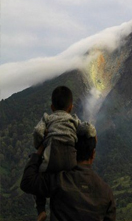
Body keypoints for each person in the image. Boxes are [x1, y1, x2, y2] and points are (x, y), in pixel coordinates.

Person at [20, 123, 116, 221]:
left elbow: (27, 182)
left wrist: (39, 151)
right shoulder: (106, 192)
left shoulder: (59, 181)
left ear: (73, 150)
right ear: (93, 154)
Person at [32, 86, 96, 220]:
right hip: (70, 159)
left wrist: (39, 144)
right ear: (71, 107)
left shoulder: (47, 118)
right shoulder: (73, 120)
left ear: (52, 107)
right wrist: (93, 135)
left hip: (52, 156)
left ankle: (41, 210)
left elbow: (38, 131)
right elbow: (88, 128)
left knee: (37, 174)